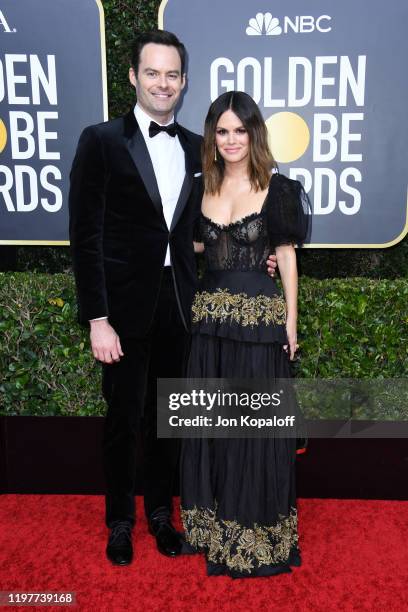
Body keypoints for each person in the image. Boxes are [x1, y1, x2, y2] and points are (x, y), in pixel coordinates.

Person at [69, 28, 279, 566]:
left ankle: (162, 517)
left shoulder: (195, 148)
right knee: (122, 418)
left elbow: (205, 229)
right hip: (122, 308)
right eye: (152, 73)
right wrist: (97, 317)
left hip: (183, 306)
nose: (162, 83)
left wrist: (259, 256)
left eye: (172, 75)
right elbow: (85, 236)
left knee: (168, 419)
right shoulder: (100, 141)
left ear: (184, 82)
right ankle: (120, 522)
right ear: (134, 78)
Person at [180, 91, 310, 578]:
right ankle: (211, 526)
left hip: (258, 328)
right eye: (222, 130)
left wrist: (290, 324)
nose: (231, 139)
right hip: (209, 327)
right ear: (212, 136)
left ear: (255, 134)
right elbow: (194, 241)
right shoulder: (200, 187)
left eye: (240, 130)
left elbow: (288, 256)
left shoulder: (278, 188)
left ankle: (256, 532)